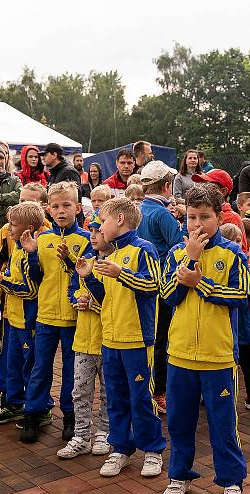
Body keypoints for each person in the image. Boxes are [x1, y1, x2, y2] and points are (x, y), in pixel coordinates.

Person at [159, 184, 250, 494]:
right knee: (180, 421)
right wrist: (191, 262)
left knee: (223, 424)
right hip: (180, 354)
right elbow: (168, 296)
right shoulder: (176, 254)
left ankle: (231, 482)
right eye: (191, 217)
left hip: (218, 355)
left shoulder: (232, 254)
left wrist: (203, 284)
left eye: (205, 217)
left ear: (219, 215)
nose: (196, 224)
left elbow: (242, 294)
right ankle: (179, 475)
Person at [70, 198, 165, 476]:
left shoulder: (144, 249)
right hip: (109, 339)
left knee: (141, 398)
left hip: (137, 338)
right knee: (116, 397)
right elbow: (105, 299)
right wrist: (88, 278)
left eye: (103, 219)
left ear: (120, 220)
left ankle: (152, 450)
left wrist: (121, 273)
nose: (100, 224)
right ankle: (120, 448)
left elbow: (152, 286)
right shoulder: (107, 256)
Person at [20, 181, 92, 443]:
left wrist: (69, 261)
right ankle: (34, 414)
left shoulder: (86, 239)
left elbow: (86, 276)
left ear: (77, 207)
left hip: (74, 317)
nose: (61, 211)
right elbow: (37, 276)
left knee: (73, 370)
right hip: (46, 314)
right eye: (56, 206)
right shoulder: (43, 238)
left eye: (66, 205)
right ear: (48, 209)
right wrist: (31, 254)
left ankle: (70, 416)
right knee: (40, 367)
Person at [55, 213, 112, 459]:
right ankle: (81, 435)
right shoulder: (83, 262)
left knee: (108, 391)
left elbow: (112, 302)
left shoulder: (113, 266)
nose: (94, 236)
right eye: (92, 231)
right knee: (80, 389)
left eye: (99, 232)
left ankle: (105, 433)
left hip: (108, 340)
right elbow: (72, 289)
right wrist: (76, 299)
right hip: (83, 340)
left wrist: (94, 305)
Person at [0, 201, 45, 425]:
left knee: (31, 367)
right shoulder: (17, 248)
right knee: (12, 363)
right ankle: (15, 403)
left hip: (28, 321)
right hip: (12, 318)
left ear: (28, 229)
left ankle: (40, 407)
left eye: (13, 224)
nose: (9, 228)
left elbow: (30, 289)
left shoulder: (30, 252)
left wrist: (4, 282)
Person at [137, 161, 187, 414]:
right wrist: (186, 219)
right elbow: (181, 245)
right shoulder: (161, 214)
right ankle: (159, 392)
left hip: (141, 280)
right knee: (161, 338)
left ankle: (147, 388)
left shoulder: (139, 209)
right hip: (162, 283)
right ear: (167, 186)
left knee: (149, 337)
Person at [220, 222, 250, 410]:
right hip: (237, 323)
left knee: (244, 362)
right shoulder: (240, 263)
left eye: (239, 240)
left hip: (238, 323)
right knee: (242, 362)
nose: (238, 244)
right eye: (234, 241)